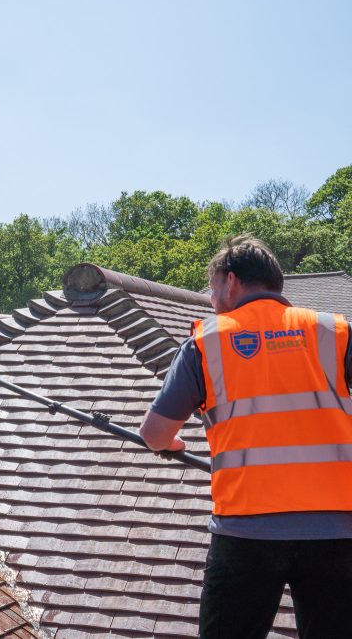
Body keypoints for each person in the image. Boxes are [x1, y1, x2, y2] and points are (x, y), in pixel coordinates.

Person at [139, 234, 352, 639]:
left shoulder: (207, 342)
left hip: (246, 531)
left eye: (212, 285)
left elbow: (153, 434)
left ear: (231, 282)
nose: (211, 297)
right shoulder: (335, 331)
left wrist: (172, 444)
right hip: (337, 532)